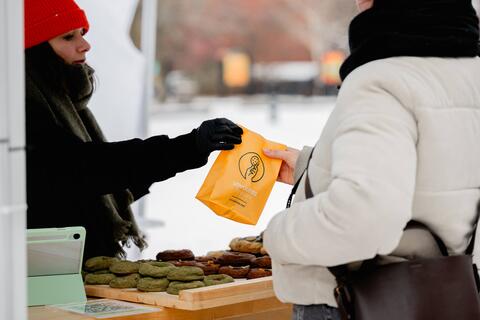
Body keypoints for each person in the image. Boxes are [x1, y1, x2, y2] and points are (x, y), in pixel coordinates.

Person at [263, 0, 480, 319]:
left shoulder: (380, 78)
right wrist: (309, 168)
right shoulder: (469, 70)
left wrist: (276, 234)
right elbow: (442, 171)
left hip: (357, 301)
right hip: (452, 297)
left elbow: (361, 219)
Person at [24, 0, 243, 260]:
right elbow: (81, 168)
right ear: (35, 50)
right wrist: (187, 146)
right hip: (39, 268)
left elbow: (111, 178)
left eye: (82, 33)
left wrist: (186, 152)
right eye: (68, 37)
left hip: (74, 259)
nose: (85, 44)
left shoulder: (65, 101)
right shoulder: (18, 108)